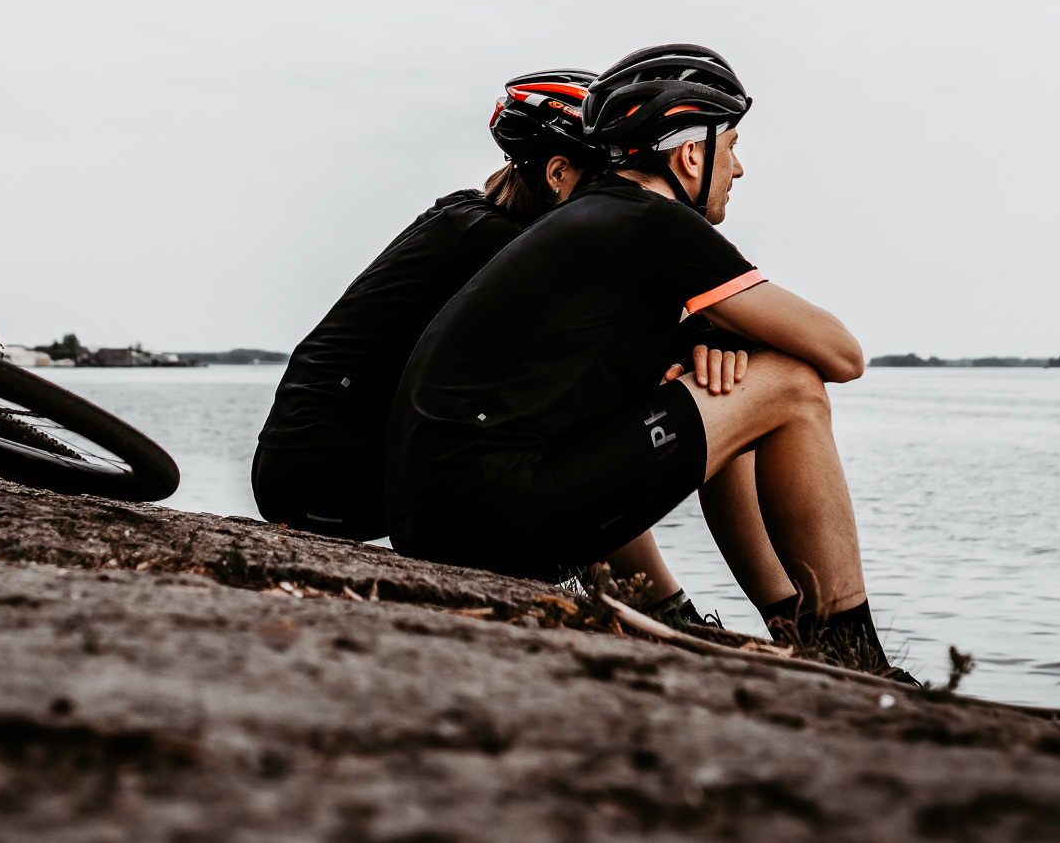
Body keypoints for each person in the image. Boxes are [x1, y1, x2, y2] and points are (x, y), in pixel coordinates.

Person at [385, 44, 909, 675]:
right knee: (791, 386)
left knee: (733, 387)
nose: (738, 169)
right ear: (691, 153)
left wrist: (717, 348)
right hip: (491, 519)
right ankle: (851, 654)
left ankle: (771, 624)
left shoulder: (591, 215)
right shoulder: (653, 223)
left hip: (445, 517)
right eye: (733, 146)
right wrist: (737, 342)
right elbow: (841, 354)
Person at [250, 69, 601, 541]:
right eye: (607, 177)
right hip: (328, 487)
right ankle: (659, 603)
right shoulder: (495, 244)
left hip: (300, 474)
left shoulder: (469, 220)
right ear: (558, 173)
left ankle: (643, 597)